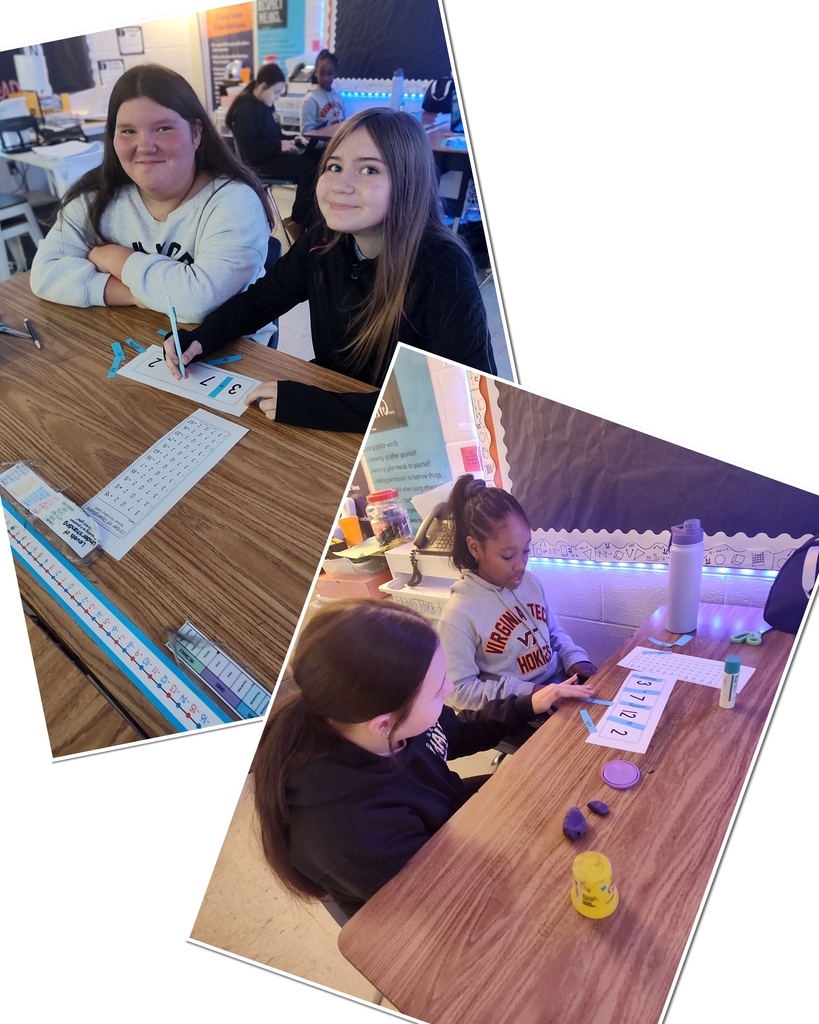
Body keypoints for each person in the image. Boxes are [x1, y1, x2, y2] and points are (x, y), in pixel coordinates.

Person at [252, 599, 590, 919]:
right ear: (384, 723)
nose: (448, 690)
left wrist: (529, 703)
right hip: (420, 902)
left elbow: (455, 734)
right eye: (436, 690)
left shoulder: (390, 722)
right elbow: (438, 894)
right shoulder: (352, 831)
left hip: (448, 830)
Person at [165, 108, 497, 432]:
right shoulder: (322, 241)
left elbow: (464, 398)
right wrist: (201, 337)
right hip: (333, 394)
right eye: (334, 166)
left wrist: (318, 407)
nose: (341, 184)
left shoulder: (443, 268)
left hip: (396, 434)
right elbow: (260, 301)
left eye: (369, 170)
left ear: (408, 182)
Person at [30, 64, 274, 333]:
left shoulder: (234, 202)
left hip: (231, 356)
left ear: (196, 133)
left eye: (163, 128)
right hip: (131, 336)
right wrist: (135, 294)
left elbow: (197, 303)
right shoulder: (94, 198)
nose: (145, 146)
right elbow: (45, 274)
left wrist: (114, 257)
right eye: (128, 131)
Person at [437, 476, 598, 716]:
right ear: (475, 548)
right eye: (508, 556)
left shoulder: (530, 582)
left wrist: (574, 657)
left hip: (557, 683)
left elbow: (553, 632)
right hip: (518, 707)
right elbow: (459, 690)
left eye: (525, 551)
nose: (520, 565)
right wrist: (529, 693)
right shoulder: (459, 615)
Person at [225, 62, 321, 236]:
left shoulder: (265, 104)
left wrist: (292, 140)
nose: (277, 97)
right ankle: (298, 221)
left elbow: (274, 135)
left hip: (270, 155)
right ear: (263, 86)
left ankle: (310, 219)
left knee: (317, 155)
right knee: (310, 167)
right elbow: (251, 151)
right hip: (258, 163)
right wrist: (279, 145)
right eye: (276, 92)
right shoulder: (246, 109)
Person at [300, 50, 345, 132]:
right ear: (316, 72)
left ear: (335, 73)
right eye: (322, 73)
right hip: (323, 145)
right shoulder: (310, 100)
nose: (326, 78)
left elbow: (345, 126)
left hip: (338, 144)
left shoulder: (339, 98)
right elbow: (306, 135)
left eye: (330, 73)